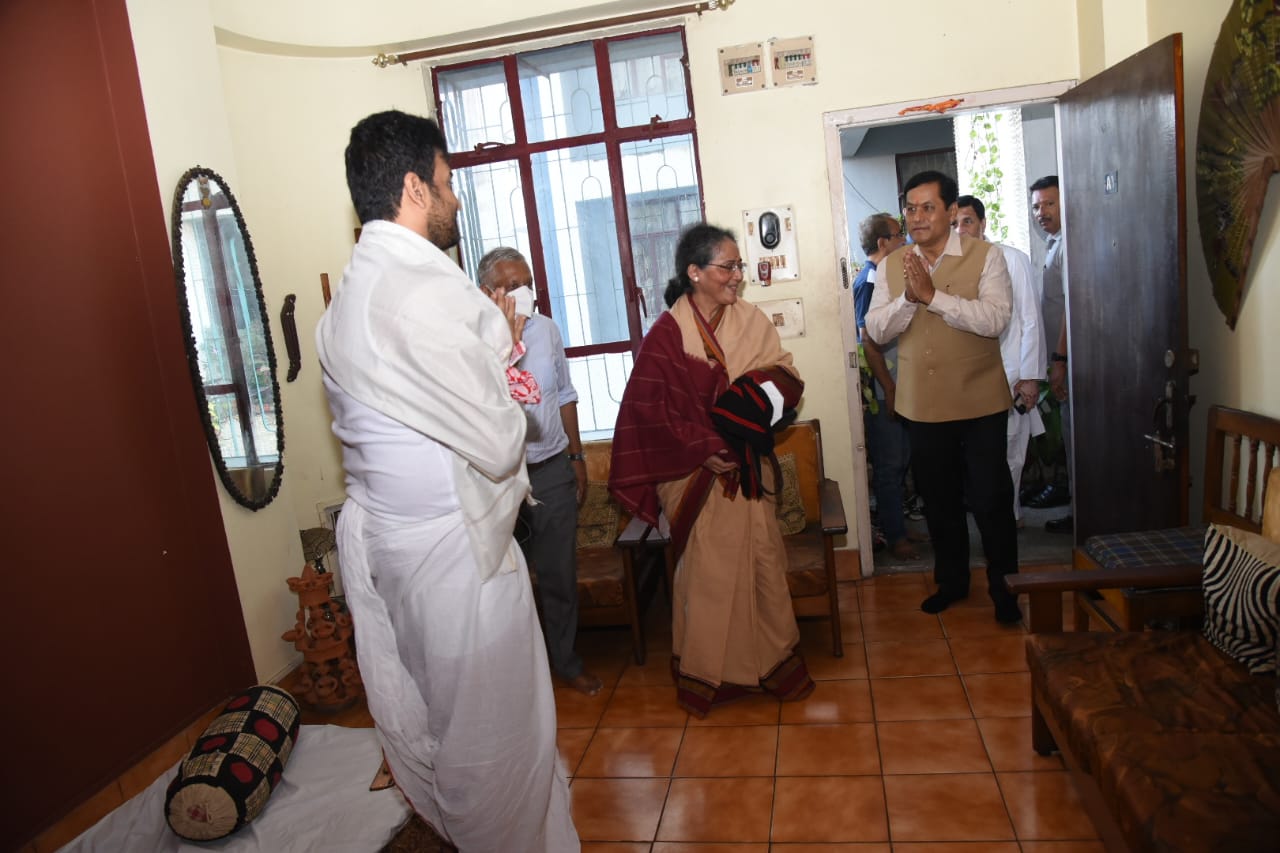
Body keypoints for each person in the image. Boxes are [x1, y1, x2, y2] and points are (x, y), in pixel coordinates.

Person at [315, 110, 579, 852]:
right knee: (494, 737)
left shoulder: (347, 300)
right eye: (447, 182)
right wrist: (502, 355)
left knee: (442, 711)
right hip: (454, 559)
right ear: (414, 188)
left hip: (397, 549)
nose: (455, 199)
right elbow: (499, 439)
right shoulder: (425, 294)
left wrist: (492, 355)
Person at [609, 223, 814, 718]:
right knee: (710, 578)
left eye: (739, 266)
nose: (738, 275)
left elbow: (785, 373)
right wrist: (705, 449)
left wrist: (753, 404)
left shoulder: (750, 319)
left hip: (746, 468)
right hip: (694, 475)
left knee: (761, 563)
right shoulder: (666, 335)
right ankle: (711, 677)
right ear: (695, 272)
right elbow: (649, 413)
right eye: (729, 266)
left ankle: (770, 664)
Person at [864, 170, 1022, 623]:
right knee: (939, 501)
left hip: (979, 403)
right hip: (923, 405)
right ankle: (952, 582)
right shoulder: (891, 265)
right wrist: (910, 300)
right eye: (910, 209)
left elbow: (995, 319)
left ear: (951, 212)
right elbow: (876, 329)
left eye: (927, 207)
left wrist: (935, 297)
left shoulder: (986, 256)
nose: (917, 217)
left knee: (990, 501)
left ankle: (1006, 589)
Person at [477, 246, 602, 698]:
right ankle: (511, 677)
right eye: (512, 286)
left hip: (550, 469)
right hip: (496, 480)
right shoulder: (471, 341)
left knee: (558, 576)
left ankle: (566, 662)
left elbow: (564, 394)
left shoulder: (546, 330)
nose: (524, 293)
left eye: (527, 284)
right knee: (498, 581)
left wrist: (576, 457)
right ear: (486, 293)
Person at [953, 195, 1047, 528]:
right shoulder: (953, 267)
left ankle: (1010, 516)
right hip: (971, 377)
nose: (961, 230)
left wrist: (1030, 376)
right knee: (980, 454)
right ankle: (992, 517)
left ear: (982, 223)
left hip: (1011, 373)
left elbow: (1030, 319)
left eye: (967, 221)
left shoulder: (1011, 259)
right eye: (954, 224)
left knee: (1011, 451)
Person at [853, 212, 918, 559]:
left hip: (899, 386)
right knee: (890, 465)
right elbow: (867, 341)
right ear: (882, 243)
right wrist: (890, 389)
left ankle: (900, 528)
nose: (904, 240)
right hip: (884, 389)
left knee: (902, 459)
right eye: (898, 235)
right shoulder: (870, 280)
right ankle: (895, 537)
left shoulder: (885, 276)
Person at [1026, 175, 1074, 533]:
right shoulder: (1054, 243)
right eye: (1036, 206)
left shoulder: (1069, 244)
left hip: (1069, 360)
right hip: (1061, 359)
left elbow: (1071, 308)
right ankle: (1076, 505)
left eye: (1049, 204)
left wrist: (1060, 360)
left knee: (1074, 435)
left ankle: (1082, 513)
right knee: (1068, 435)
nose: (1041, 212)